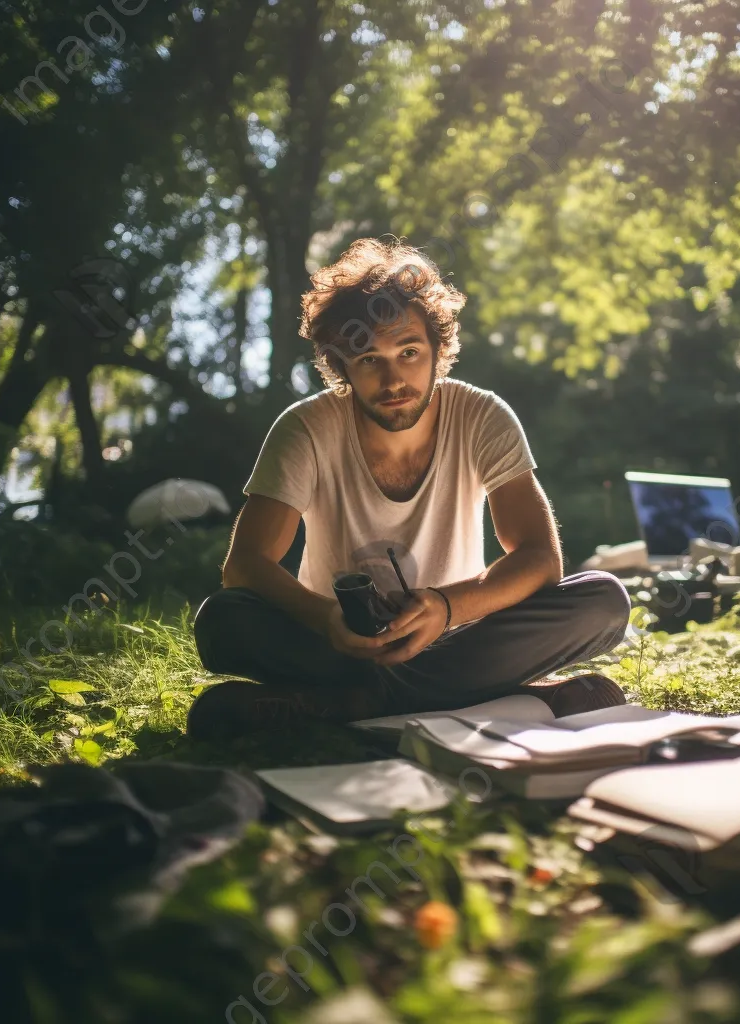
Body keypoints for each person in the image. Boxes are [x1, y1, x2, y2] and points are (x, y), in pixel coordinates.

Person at [186, 237, 631, 739]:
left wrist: (445, 608)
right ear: (343, 368)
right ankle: (515, 697)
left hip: (459, 635)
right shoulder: (305, 428)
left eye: (409, 352)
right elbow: (244, 565)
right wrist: (328, 618)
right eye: (370, 359)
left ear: (438, 352)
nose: (395, 379)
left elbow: (539, 558)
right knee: (223, 618)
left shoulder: (482, 416)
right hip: (341, 644)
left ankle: (346, 704)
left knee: (604, 601)